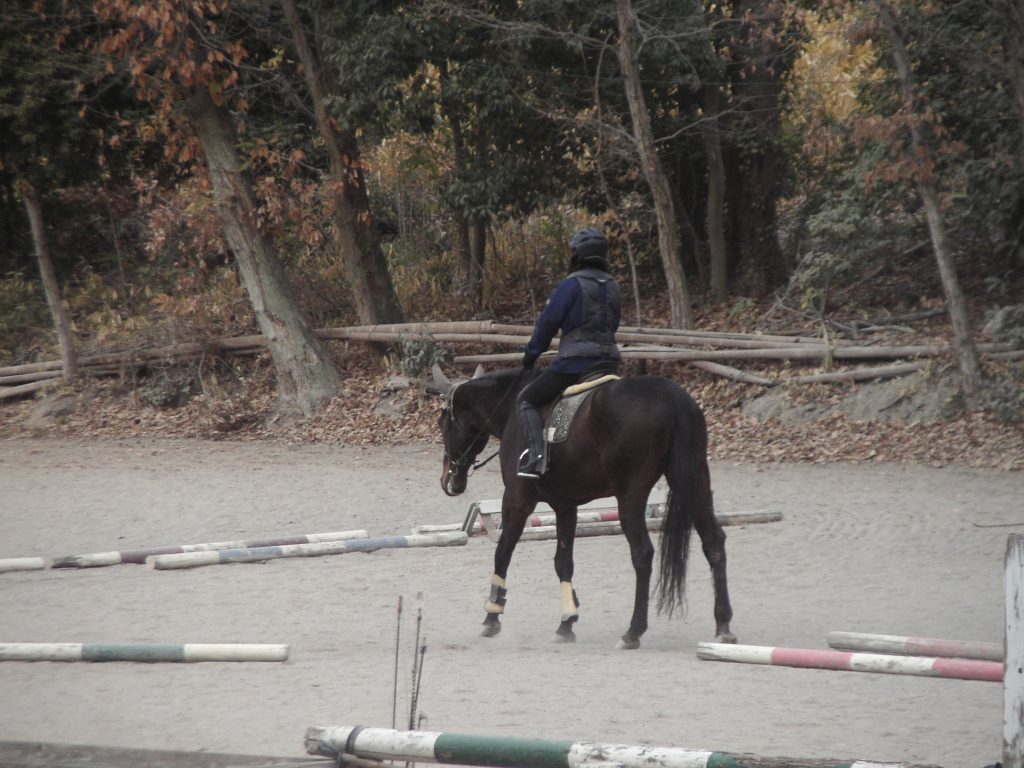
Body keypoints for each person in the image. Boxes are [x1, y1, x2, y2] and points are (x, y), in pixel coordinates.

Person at [516, 226, 622, 478]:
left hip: (575, 365)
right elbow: (613, 323)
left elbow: (548, 323)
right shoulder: (614, 286)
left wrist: (531, 354)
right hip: (609, 363)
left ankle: (537, 456)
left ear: (577, 254)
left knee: (526, 400)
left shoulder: (571, 285)